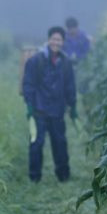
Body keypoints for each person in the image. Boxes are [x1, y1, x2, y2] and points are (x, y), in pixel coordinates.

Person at [22, 26, 77, 183]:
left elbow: (70, 86)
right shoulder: (35, 61)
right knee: (36, 145)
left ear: (63, 42)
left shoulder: (66, 63)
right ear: (48, 40)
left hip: (57, 111)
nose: (56, 42)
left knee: (60, 143)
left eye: (59, 40)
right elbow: (28, 84)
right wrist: (29, 105)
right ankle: (34, 178)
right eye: (53, 39)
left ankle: (63, 176)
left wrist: (72, 106)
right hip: (39, 110)